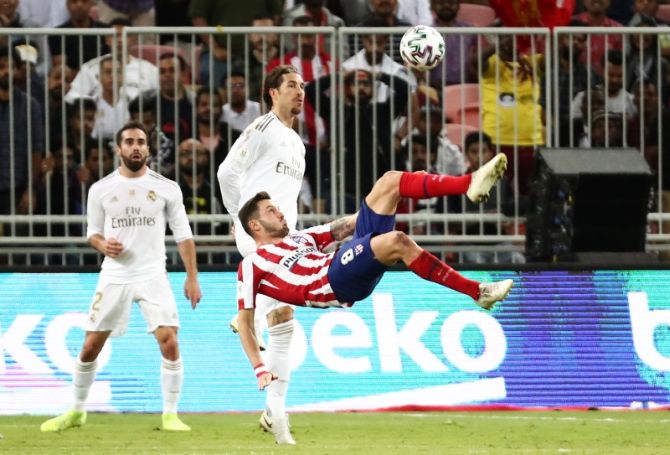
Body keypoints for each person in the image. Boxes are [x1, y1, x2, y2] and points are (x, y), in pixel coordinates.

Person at [235, 154, 514, 444]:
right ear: (255, 226)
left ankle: (469, 183)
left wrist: (409, 188)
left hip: (349, 268)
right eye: (271, 211)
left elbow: (346, 225)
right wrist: (259, 367)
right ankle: (477, 292)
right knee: (398, 241)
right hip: (334, 280)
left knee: (390, 181)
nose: (280, 213)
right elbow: (245, 323)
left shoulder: (300, 238)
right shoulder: (252, 265)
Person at [40, 121, 202, 433]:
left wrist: (192, 277)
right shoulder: (100, 189)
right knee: (90, 347)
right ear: (118, 149)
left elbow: (183, 235)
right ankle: (76, 411)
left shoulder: (167, 188)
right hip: (115, 275)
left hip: (153, 273)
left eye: (141, 141)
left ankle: (170, 415)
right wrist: (103, 245)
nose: (135, 147)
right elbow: (93, 234)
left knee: (169, 341)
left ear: (149, 149)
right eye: (129, 142)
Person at [217, 64, 306, 445]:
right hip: (258, 235)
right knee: (282, 315)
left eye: (302, 86)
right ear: (272, 92)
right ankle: (278, 418)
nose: (299, 92)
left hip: (286, 235)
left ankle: (273, 412)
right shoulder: (262, 129)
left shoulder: (296, 142)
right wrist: (242, 218)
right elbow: (226, 173)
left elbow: (286, 197)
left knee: (284, 319)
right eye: (291, 85)